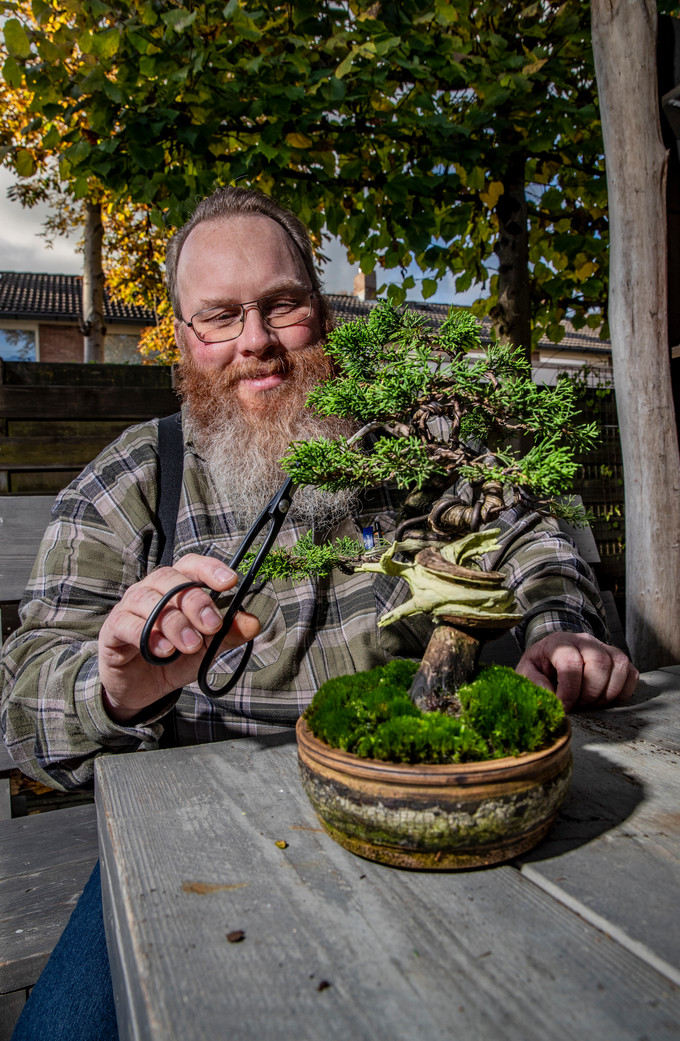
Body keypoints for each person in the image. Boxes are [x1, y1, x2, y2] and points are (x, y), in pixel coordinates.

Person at [2, 186, 637, 1039]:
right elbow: (26, 709)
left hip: (412, 804)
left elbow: (531, 523)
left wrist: (561, 623)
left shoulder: (410, 443)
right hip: (194, 842)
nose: (256, 342)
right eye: (220, 317)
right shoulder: (134, 483)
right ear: (183, 338)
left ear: (324, 312)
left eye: (281, 305)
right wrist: (112, 686)